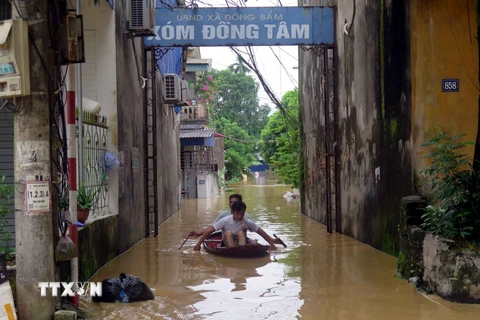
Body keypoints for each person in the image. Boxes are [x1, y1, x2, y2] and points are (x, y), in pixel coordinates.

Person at [193, 201, 277, 251]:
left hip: (241, 244)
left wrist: (272, 245)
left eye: (242, 214)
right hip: (226, 244)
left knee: (241, 233)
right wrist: (198, 245)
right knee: (228, 233)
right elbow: (209, 230)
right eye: (238, 214)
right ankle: (233, 250)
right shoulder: (225, 220)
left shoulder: (246, 221)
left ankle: (241, 250)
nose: (240, 216)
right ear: (233, 212)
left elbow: (261, 232)